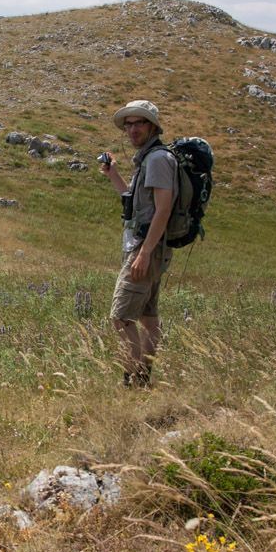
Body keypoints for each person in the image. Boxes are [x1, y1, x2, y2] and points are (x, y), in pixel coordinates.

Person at [99, 100, 177, 388]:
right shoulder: (150, 158)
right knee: (149, 318)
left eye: (138, 123)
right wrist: (114, 175)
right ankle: (143, 380)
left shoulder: (156, 160)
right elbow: (135, 203)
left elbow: (163, 209)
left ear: (153, 126)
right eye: (128, 124)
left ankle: (133, 382)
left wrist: (143, 253)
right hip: (152, 248)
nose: (132, 130)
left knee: (121, 318)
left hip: (146, 249)